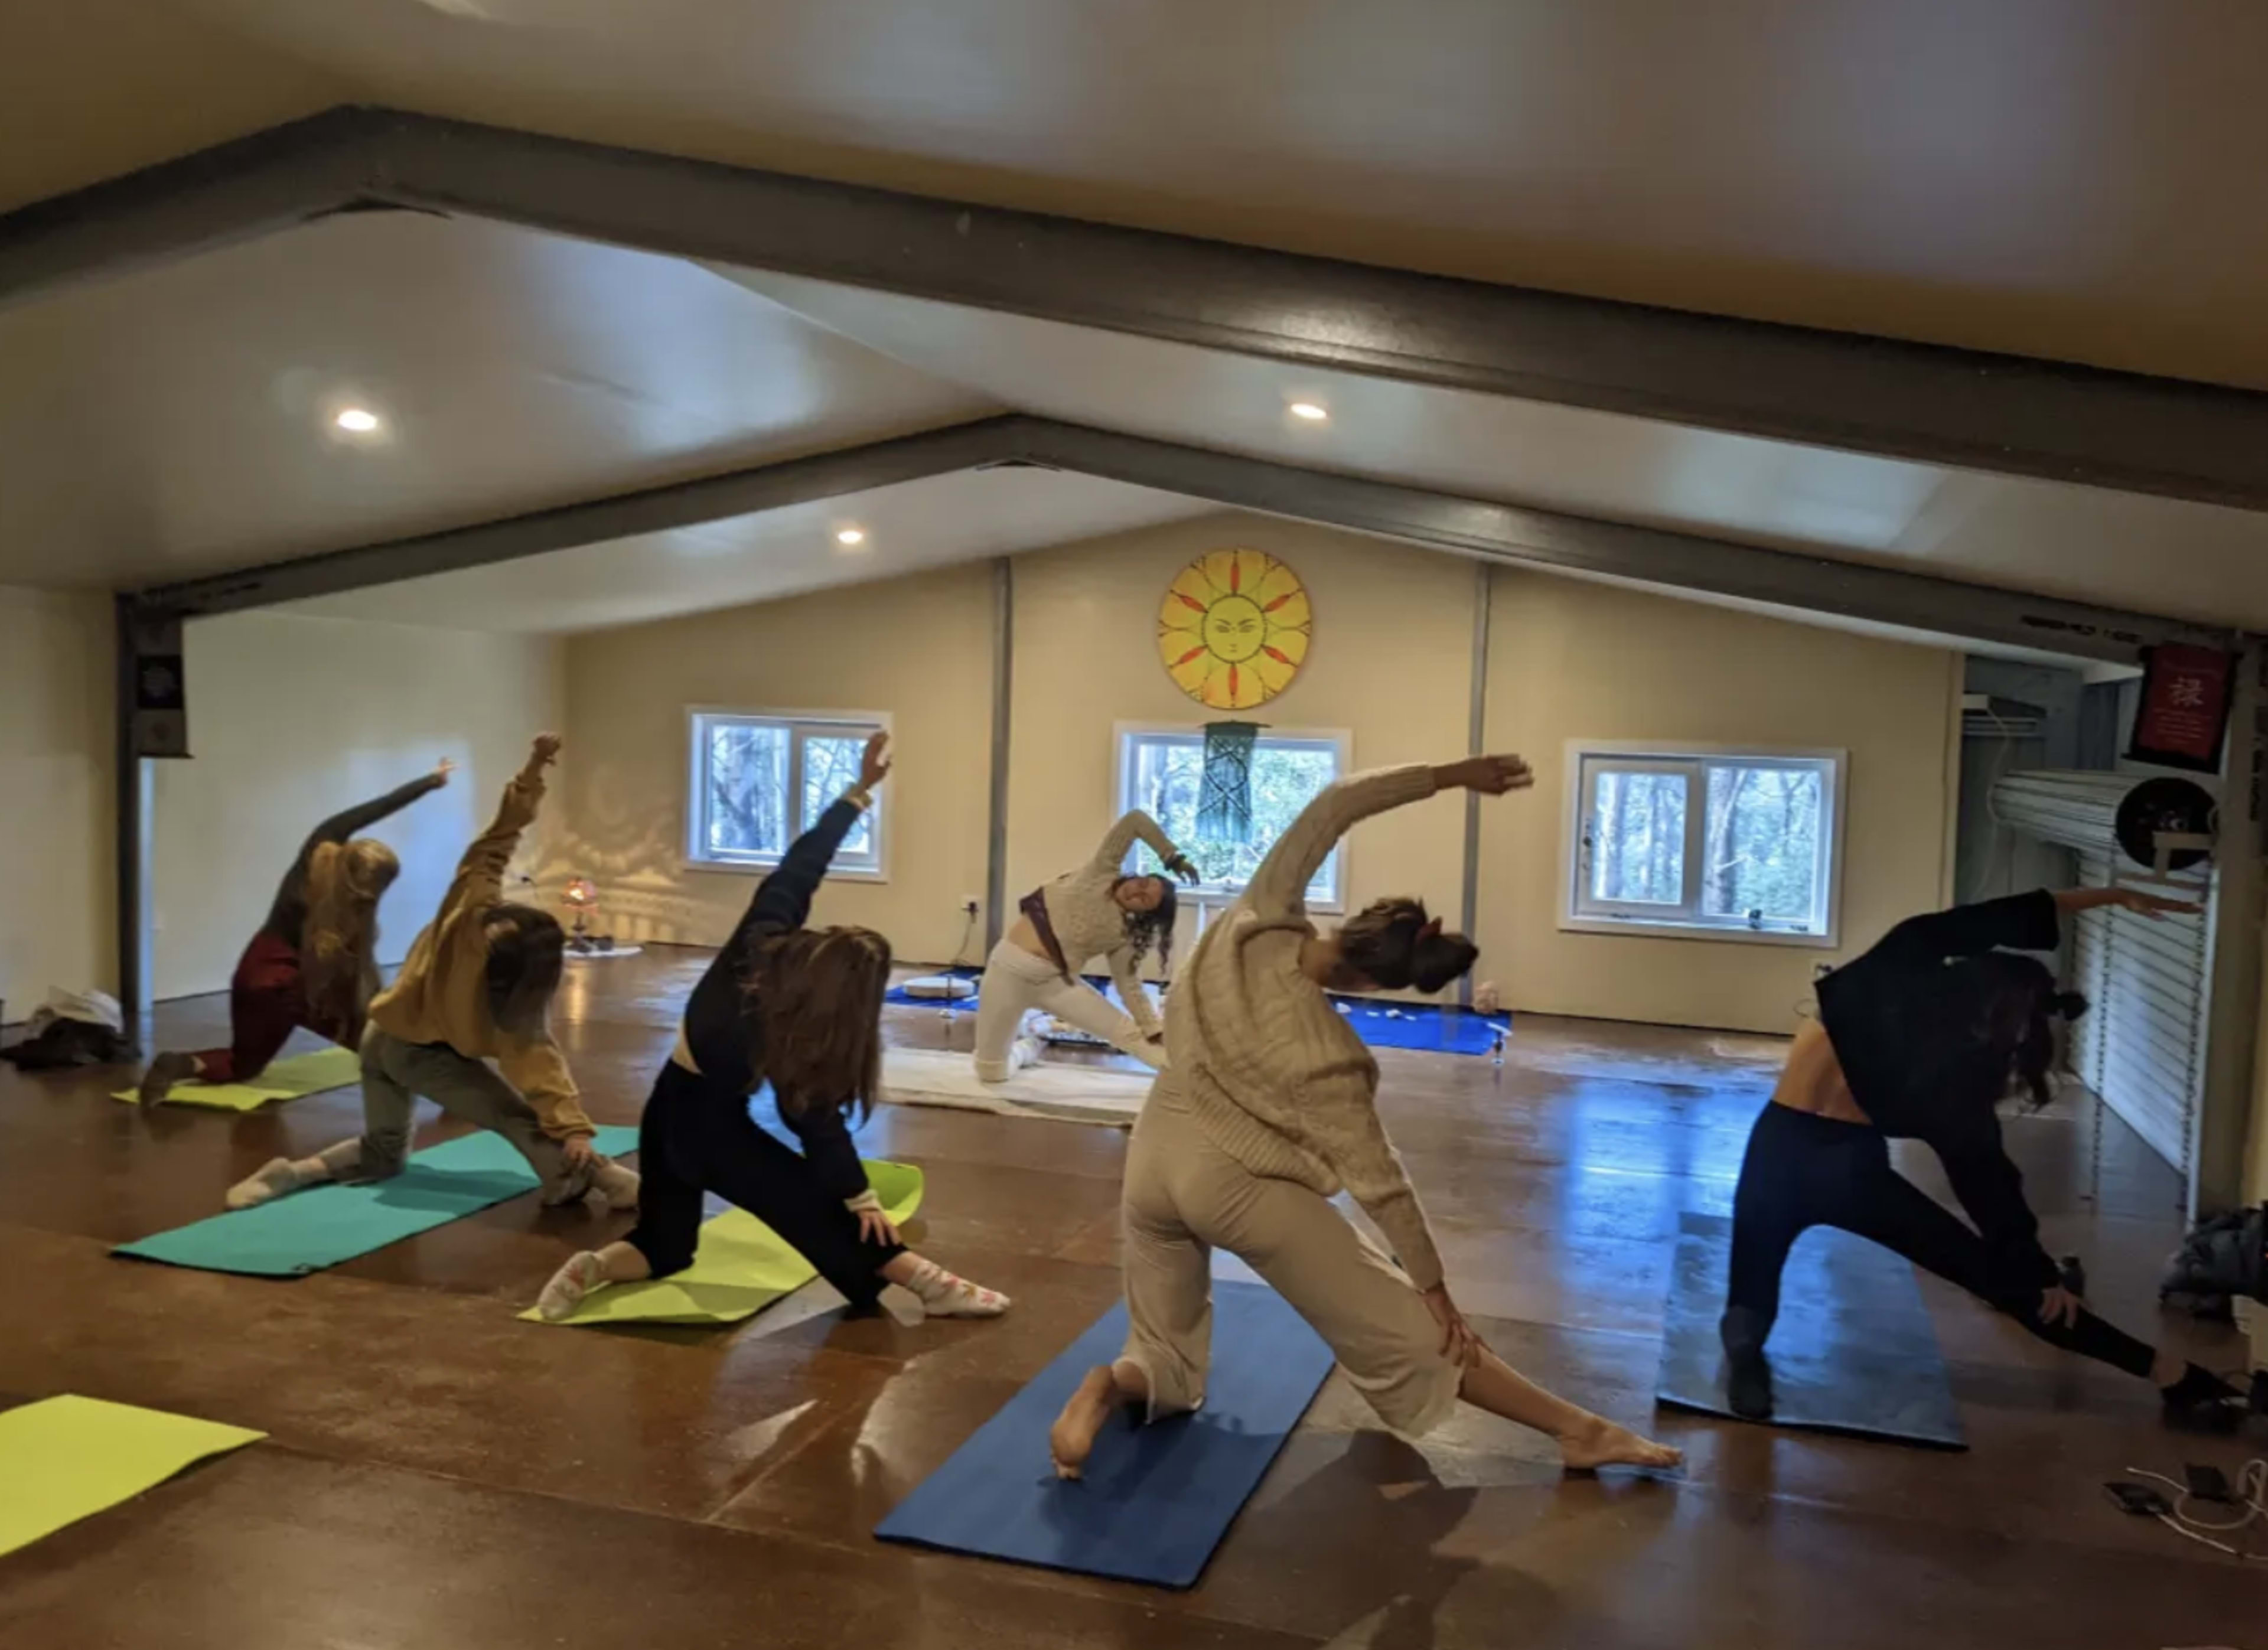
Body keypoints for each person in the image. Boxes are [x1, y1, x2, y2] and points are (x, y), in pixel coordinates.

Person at [1050, 757, 1681, 1478]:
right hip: (1234, 1182)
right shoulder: (1333, 1058)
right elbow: (1381, 1184)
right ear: (1381, 982)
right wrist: (1434, 1289)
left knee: (1165, 1354)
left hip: (1153, 1150)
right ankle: (1580, 1430)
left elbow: (1336, 803)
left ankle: (1110, 1384)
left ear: (1358, 922)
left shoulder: (1255, 918)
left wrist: (1452, 775)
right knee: (1412, 1332)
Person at [1719, 885, 2247, 1424]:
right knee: (2011, 1287)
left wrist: (2108, 895)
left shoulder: (1895, 965)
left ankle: (1744, 1367)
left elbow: (1990, 918)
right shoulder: (1948, 1073)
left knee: (1748, 1304)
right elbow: (1989, 1185)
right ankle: (2170, 1373)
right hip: (1850, 1174)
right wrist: (2035, 1273)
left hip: (1778, 1158)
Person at [533, 731, 1011, 1323]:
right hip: (710, 1128)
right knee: (816, 1210)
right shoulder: (785, 1037)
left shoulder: (760, 943)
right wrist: (859, 1196)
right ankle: (928, 1283)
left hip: (664, 1109)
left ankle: (596, 1266)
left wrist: (859, 793)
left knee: (665, 1245)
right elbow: (814, 1122)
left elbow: (799, 868)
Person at [224, 735, 639, 1214]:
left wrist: (533, 769)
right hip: (414, 1053)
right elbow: (537, 1065)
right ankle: (612, 1182)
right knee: (514, 1116)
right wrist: (573, 1129)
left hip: (379, 1038)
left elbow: (498, 839)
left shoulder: (467, 913)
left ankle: (293, 1173)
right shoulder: (511, 1004)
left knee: (383, 1154)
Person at [137, 761, 455, 1103]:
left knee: (241, 1064)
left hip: (255, 970)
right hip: (298, 984)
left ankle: (182, 1063)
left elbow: (373, 808)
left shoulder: (317, 855)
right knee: (369, 1037)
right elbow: (358, 976)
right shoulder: (353, 912)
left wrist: (429, 781)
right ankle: (444, 1088)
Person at [973, 810, 1200, 1081]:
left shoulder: (1124, 936)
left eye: (1144, 900)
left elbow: (1129, 985)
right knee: (991, 1072)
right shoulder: (1101, 872)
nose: (1137, 892)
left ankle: (1199, 1083)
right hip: (1004, 973)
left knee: (1131, 1037)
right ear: (1134, 877)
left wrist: (1153, 1029)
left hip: (1055, 985)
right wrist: (1172, 857)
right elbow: (1135, 821)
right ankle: (1027, 1050)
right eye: (1142, 884)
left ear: (1144, 915)